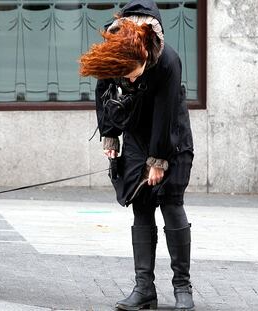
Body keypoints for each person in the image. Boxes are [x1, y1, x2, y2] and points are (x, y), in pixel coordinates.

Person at [79, 1, 195, 310]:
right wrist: (108, 134)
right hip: (134, 135)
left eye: (134, 73)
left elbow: (167, 111)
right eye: (125, 75)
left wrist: (158, 159)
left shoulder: (168, 60)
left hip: (171, 135)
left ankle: (182, 287)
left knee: (171, 204)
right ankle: (144, 289)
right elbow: (103, 93)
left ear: (145, 54)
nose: (130, 80)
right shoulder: (115, 52)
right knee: (141, 206)